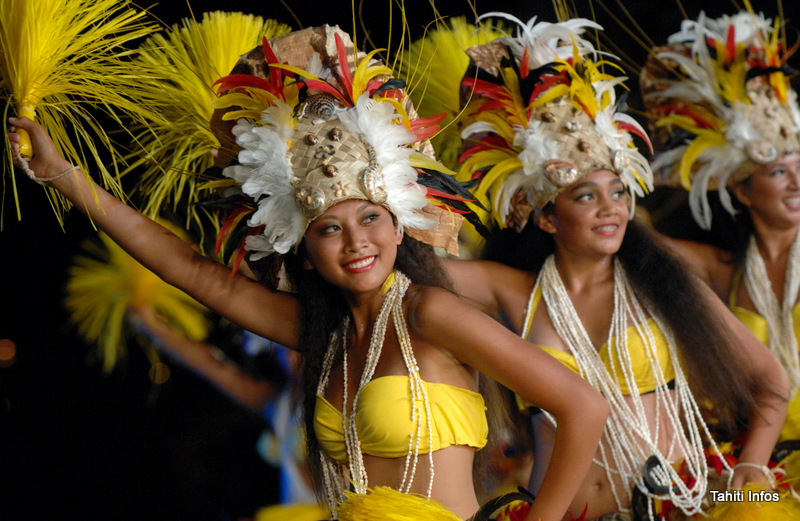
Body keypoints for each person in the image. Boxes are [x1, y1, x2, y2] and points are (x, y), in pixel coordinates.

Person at [7, 25, 608, 521]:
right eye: (329, 228)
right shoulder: (323, 333)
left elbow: (583, 407)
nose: (356, 243)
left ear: (399, 226)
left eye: (371, 218)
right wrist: (63, 175)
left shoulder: (430, 313)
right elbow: (193, 271)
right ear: (303, 246)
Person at [431, 12, 789, 520]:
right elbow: (403, 272)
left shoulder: (663, 284)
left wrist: (751, 467)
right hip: (556, 512)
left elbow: (770, 379)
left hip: (688, 502)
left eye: (618, 192)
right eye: (586, 195)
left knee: (758, 502)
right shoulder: (513, 291)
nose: (611, 208)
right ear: (549, 217)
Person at [640, 11, 800, 430]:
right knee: (744, 502)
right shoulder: (721, 269)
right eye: (780, 172)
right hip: (759, 467)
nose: (797, 183)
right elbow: (633, 237)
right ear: (742, 191)